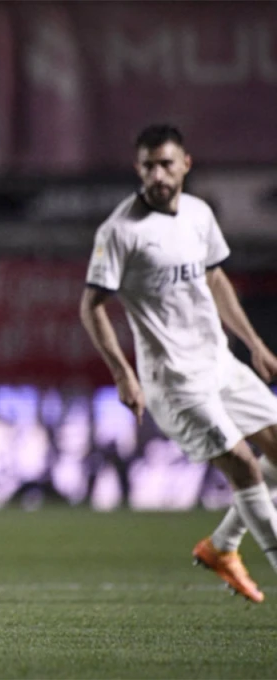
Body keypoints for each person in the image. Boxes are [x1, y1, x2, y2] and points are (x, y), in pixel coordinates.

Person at [80, 123, 277, 604]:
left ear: (185, 164)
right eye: (148, 165)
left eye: (167, 163)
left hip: (219, 364)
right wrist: (123, 374)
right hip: (174, 380)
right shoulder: (120, 232)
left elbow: (215, 280)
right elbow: (92, 306)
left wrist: (252, 342)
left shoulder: (199, 214)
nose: (158, 174)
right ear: (138, 168)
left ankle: (222, 546)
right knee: (244, 465)